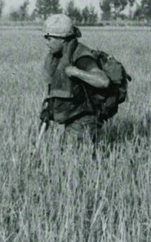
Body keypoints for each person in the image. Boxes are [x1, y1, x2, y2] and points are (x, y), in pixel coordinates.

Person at [40, 14, 119, 145]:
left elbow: (103, 81)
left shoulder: (81, 56)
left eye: (50, 38)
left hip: (85, 118)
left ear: (63, 39)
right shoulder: (57, 55)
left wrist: (76, 72)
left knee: (72, 156)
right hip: (72, 115)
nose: (47, 42)